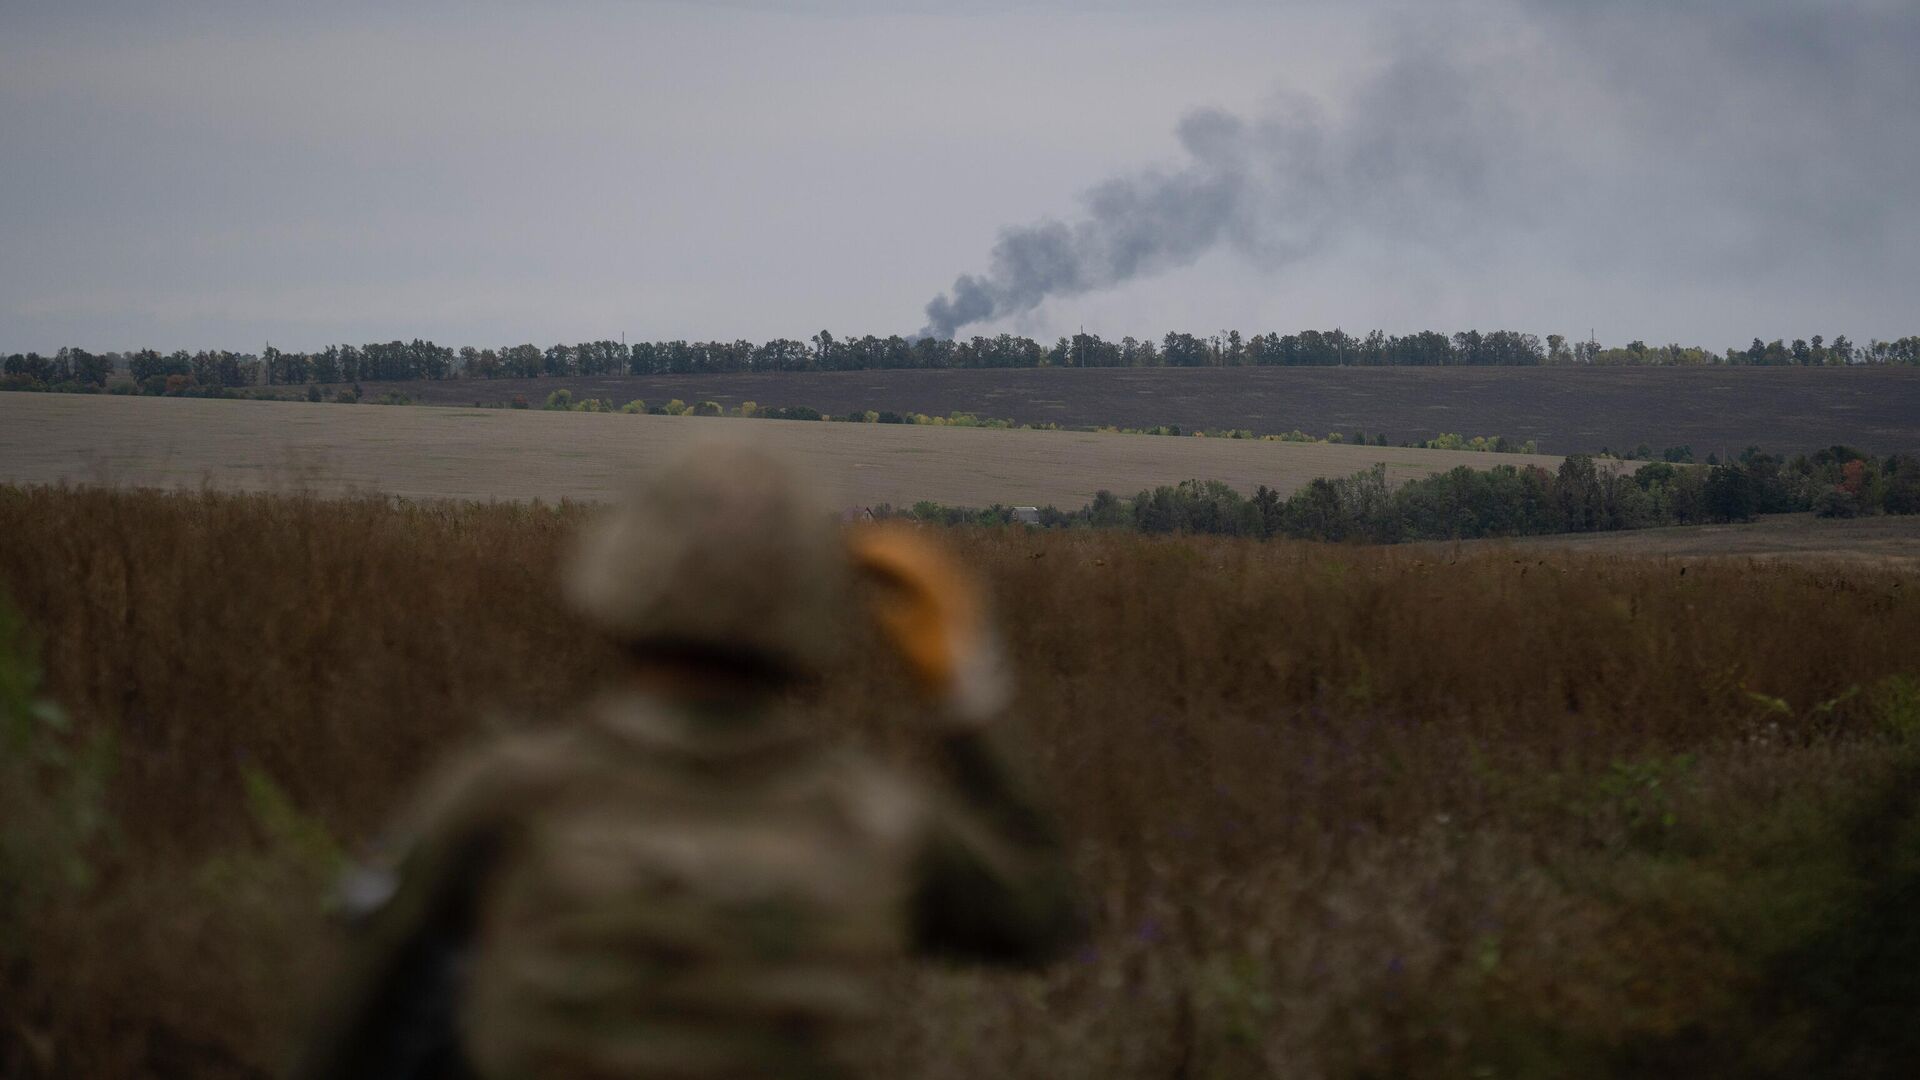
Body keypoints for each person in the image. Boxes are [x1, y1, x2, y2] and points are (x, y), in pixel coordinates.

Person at [295, 438, 1082, 1080]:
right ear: (817, 603)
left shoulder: (511, 792)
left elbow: (348, 1022)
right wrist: (965, 691)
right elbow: (1041, 914)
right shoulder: (880, 820)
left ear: (624, 576)